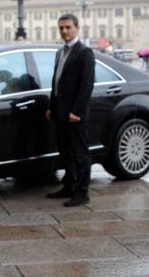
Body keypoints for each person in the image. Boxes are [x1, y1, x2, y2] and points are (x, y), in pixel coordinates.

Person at [45, 13, 95, 207]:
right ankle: (70, 186)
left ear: (77, 28)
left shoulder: (84, 52)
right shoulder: (60, 52)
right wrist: (51, 106)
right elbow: (56, 82)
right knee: (65, 151)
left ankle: (82, 193)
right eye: (61, 28)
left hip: (75, 114)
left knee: (80, 153)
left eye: (68, 27)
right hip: (60, 111)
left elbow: (86, 84)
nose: (64, 31)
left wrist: (78, 111)